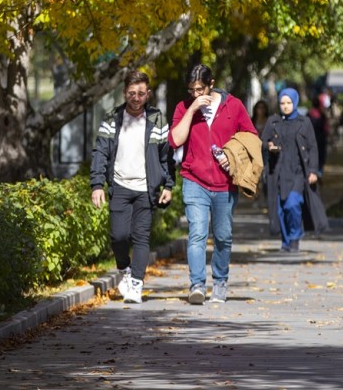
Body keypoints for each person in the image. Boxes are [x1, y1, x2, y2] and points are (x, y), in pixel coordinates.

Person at [169, 63, 259, 305]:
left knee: (223, 236)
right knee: (197, 233)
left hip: (224, 184)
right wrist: (192, 110)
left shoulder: (234, 106)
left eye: (200, 89)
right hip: (194, 179)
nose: (196, 95)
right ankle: (197, 285)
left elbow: (251, 137)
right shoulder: (184, 107)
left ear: (211, 84)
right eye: (191, 90)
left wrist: (235, 159)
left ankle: (220, 282)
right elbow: (175, 140)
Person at [90, 70, 174, 304]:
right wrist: (97, 184)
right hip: (120, 186)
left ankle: (136, 283)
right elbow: (100, 152)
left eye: (140, 93)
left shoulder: (157, 119)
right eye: (131, 93)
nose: (136, 98)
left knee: (141, 237)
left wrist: (168, 185)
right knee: (118, 236)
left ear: (148, 94)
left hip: (146, 189)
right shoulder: (113, 118)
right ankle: (125, 270)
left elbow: (167, 156)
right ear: (124, 93)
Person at [262, 87, 328, 252]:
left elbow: (313, 147)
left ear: (295, 102)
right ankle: (285, 242)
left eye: (289, 103)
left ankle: (295, 236)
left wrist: (313, 170)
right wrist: (268, 146)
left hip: (298, 172)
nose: (285, 106)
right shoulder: (273, 121)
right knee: (280, 209)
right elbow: (262, 142)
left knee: (292, 204)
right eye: (282, 103)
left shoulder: (304, 122)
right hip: (277, 172)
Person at [307, 95, 329, 175]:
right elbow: (326, 128)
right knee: (321, 156)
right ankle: (319, 172)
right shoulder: (322, 114)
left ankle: (313, 171)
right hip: (321, 139)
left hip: (311, 139)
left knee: (312, 155)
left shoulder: (308, 114)